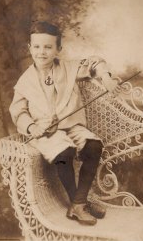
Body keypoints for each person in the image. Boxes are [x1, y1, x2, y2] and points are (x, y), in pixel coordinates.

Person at [9, 21, 120, 226]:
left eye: (48, 47)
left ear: (58, 49)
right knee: (65, 152)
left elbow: (95, 62)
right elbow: (18, 112)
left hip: (72, 127)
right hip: (45, 133)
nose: (42, 52)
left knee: (94, 146)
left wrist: (106, 77)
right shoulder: (25, 82)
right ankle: (79, 204)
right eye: (37, 47)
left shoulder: (69, 69)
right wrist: (33, 127)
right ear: (29, 48)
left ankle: (79, 203)